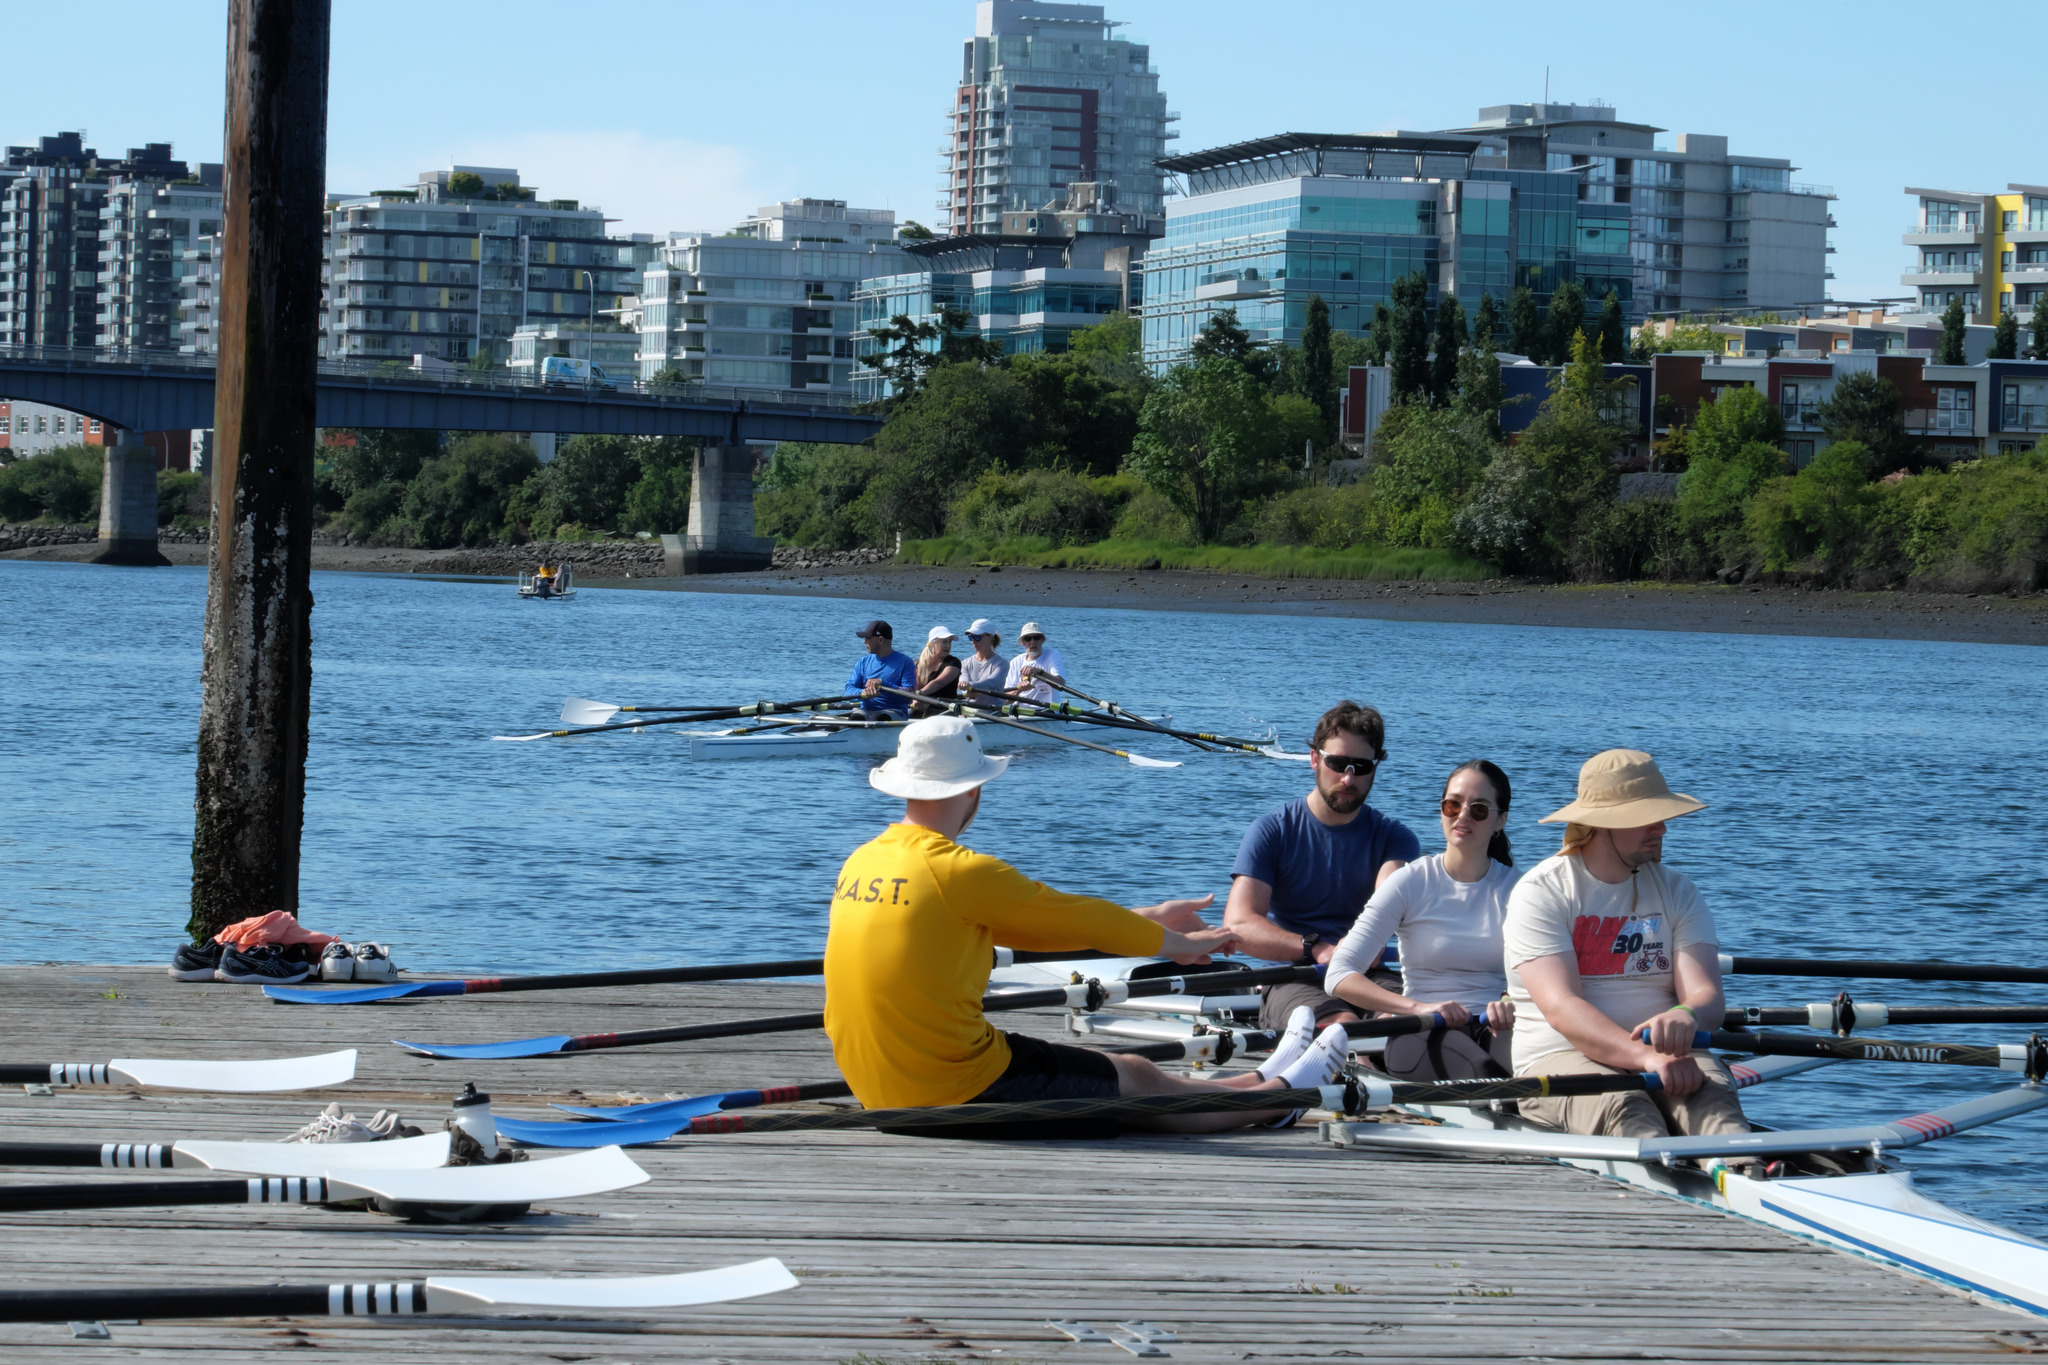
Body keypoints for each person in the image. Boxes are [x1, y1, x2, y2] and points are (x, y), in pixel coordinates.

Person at [824, 716, 1353, 1134]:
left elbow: (1046, 928)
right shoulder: (958, 871)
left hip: (879, 1085)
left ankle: (1258, 1081)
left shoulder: (864, 861)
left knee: (1133, 1071)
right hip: (951, 1090)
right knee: (1132, 1084)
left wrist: (1146, 919)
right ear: (973, 790)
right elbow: (1074, 915)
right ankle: (1277, 1102)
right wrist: (1180, 944)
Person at [1501, 748, 1748, 1139]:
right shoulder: (1542, 892)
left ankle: (1743, 1171)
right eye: (1646, 818)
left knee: (1715, 1105)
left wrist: (1688, 1015)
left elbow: (1706, 995)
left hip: (1665, 1054)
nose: (1662, 829)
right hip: (1561, 1056)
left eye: (1661, 816)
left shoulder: (1678, 891)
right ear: (1602, 824)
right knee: (1629, 1109)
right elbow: (1563, 1008)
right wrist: (1643, 1056)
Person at [1224, 701, 1421, 1033]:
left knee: (1400, 1025)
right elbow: (1239, 925)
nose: (1348, 778)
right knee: (1339, 1027)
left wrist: (1366, 944)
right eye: (1338, 763)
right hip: (1293, 977)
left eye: (1361, 766)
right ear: (1314, 758)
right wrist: (1316, 948)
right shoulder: (1272, 831)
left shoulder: (1395, 839)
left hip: (1368, 972)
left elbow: (1388, 903)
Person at [1327, 761, 1520, 1080]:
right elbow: (1338, 975)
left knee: (1542, 1072)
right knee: (1488, 1075)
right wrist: (1417, 1008)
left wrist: (1510, 1001)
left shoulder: (1520, 890)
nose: (1463, 816)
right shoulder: (1409, 882)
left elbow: (1541, 977)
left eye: (1479, 809)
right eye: (1453, 804)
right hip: (1420, 1030)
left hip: (1493, 1026)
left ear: (1500, 820)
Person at [846, 620, 918, 718]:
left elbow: (909, 696)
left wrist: (882, 684)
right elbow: (848, 690)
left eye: (868, 638)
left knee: (883, 718)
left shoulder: (905, 662)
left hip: (894, 711)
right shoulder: (863, 662)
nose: (864, 641)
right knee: (856, 718)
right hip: (866, 710)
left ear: (880, 640)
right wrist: (862, 693)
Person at [1002, 622, 1067, 704]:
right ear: (1023, 642)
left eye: (1036, 638)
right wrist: (1019, 690)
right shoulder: (1016, 662)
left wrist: (1040, 672)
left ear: (1042, 640)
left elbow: (1060, 684)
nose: (1032, 642)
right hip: (1019, 712)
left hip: (1047, 712)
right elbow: (1005, 701)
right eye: (1028, 639)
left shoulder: (1052, 655)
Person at [910, 627, 962, 717]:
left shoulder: (954, 663)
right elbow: (914, 686)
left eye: (950, 642)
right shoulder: (917, 664)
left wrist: (919, 694)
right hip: (922, 708)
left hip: (945, 711)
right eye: (944, 641)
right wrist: (914, 698)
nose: (948, 645)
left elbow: (938, 683)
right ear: (932, 644)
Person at [958, 619, 1007, 704]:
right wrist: (966, 688)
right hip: (969, 711)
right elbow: (963, 681)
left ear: (990, 638)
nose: (973, 641)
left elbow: (991, 682)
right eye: (971, 637)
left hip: (993, 712)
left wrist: (971, 686)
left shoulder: (1002, 664)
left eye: (977, 637)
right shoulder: (964, 664)